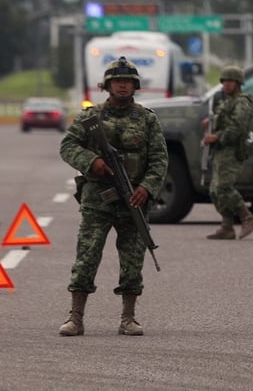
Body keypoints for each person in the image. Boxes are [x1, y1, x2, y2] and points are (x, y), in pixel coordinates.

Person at [58, 56, 168, 337]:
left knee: (133, 260)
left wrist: (146, 188)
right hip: (98, 200)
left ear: (135, 86)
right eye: (117, 81)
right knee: (87, 256)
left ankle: (128, 318)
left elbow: (159, 159)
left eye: (128, 82)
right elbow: (67, 145)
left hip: (134, 200)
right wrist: (91, 161)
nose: (122, 86)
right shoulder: (90, 118)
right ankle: (76, 317)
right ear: (107, 85)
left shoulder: (146, 119)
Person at [202, 65, 253, 240]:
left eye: (231, 81)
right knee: (215, 190)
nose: (227, 84)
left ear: (238, 83)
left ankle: (247, 217)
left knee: (224, 187)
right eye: (224, 81)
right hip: (221, 151)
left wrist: (217, 136)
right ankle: (227, 226)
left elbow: (237, 127)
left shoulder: (242, 102)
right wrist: (210, 123)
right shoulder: (227, 102)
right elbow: (223, 119)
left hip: (232, 150)